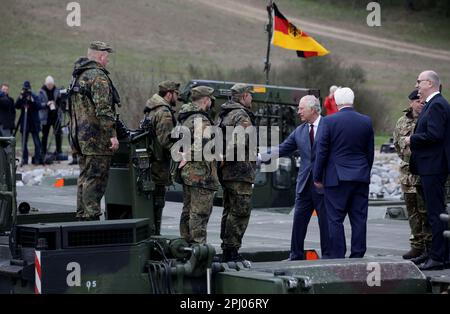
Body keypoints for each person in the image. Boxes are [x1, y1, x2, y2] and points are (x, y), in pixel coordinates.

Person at [260, 95, 330, 260]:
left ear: (313, 109)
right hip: (304, 185)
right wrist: (260, 156)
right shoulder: (299, 131)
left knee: (326, 223)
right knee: (298, 222)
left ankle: (328, 256)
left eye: (301, 108)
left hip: (324, 185)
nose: (298, 112)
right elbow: (282, 148)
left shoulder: (329, 126)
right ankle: (295, 255)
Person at [313, 87, 374, 259]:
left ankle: (338, 255)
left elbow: (322, 151)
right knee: (359, 218)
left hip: (336, 178)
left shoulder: (329, 122)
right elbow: (370, 152)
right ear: (352, 100)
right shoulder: (366, 121)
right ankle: (358, 254)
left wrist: (317, 177)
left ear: (336, 102)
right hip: (360, 176)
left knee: (335, 219)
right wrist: (365, 171)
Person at [68, 41, 120, 221]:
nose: (107, 61)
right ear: (101, 56)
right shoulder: (98, 77)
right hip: (96, 138)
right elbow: (104, 109)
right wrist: (112, 135)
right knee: (96, 178)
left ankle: (82, 214)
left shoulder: (78, 75)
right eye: (107, 57)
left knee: (84, 176)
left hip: (79, 136)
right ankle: (90, 217)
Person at [406, 70, 450, 270]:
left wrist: (411, 139)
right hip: (430, 166)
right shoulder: (433, 104)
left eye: (419, 82)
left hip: (434, 166)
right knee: (434, 213)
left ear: (430, 84)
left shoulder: (437, 104)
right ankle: (437, 254)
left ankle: (439, 257)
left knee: (436, 213)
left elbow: (434, 135)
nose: (417, 86)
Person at [216, 83, 257, 262]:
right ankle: (232, 251)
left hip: (227, 172)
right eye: (250, 95)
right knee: (240, 211)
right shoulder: (241, 115)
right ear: (243, 96)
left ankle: (227, 249)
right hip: (240, 171)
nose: (252, 98)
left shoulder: (224, 114)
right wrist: (228, 157)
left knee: (229, 209)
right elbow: (241, 140)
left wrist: (222, 160)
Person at [177, 86, 219, 244]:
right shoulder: (201, 119)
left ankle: (185, 246)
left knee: (188, 211)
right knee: (199, 214)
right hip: (200, 174)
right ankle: (198, 249)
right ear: (206, 100)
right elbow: (203, 143)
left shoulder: (186, 116)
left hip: (188, 174)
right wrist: (188, 156)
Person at [393, 90, 431, 260]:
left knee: (427, 212)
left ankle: (429, 247)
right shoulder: (402, 122)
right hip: (408, 175)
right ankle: (417, 245)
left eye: (421, 100)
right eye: (416, 101)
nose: (420, 103)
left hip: (425, 174)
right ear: (411, 103)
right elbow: (397, 146)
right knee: (413, 212)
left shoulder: (430, 119)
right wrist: (409, 155)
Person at [141, 80, 179, 235]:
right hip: (158, 163)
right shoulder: (163, 112)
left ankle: (152, 232)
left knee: (151, 201)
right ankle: (155, 235)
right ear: (169, 93)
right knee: (157, 201)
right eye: (176, 94)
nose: (177, 97)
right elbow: (166, 140)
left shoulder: (151, 108)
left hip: (151, 161)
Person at [15, 81, 44, 166]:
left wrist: (31, 100)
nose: (26, 91)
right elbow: (16, 106)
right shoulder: (22, 97)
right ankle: (25, 159)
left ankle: (37, 159)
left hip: (34, 123)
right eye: (24, 89)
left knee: (36, 142)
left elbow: (39, 106)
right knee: (24, 142)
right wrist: (20, 97)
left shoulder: (34, 96)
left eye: (27, 89)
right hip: (25, 122)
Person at [39, 75, 63, 160]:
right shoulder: (42, 91)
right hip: (46, 116)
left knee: (58, 134)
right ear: (46, 84)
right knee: (45, 135)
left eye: (51, 84)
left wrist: (56, 103)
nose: (50, 86)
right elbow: (39, 104)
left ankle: (59, 151)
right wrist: (47, 104)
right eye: (48, 84)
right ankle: (43, 151)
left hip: (56, 116)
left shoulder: (57, 90)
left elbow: (60, 102)